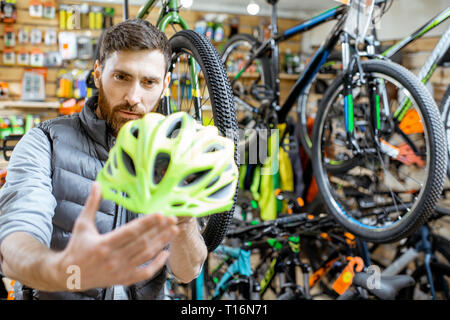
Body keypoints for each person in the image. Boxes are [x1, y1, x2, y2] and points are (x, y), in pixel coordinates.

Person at [0, 19, 208, 300]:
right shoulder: (45, 142)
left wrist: (184, 219)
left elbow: (187, 272)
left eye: (149, 82)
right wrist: (56, 269)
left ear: (165, 85)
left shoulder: (169, 155)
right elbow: (16, 241)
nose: (134, 98)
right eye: (121, 77)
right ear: (98, 74)